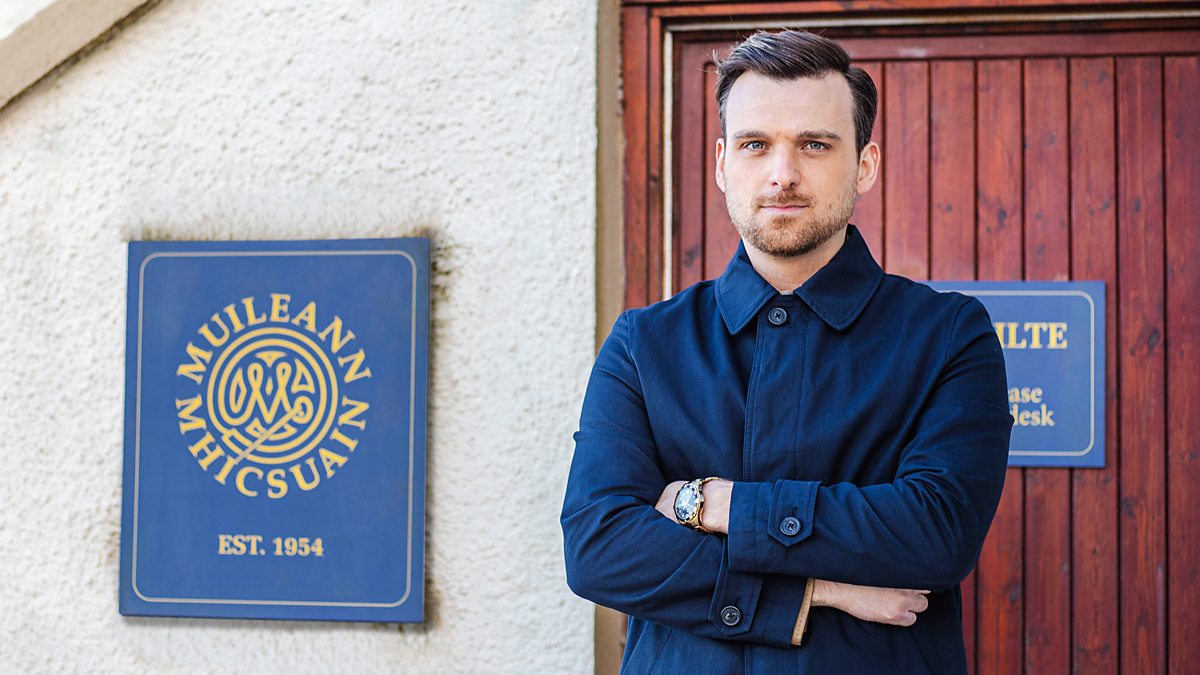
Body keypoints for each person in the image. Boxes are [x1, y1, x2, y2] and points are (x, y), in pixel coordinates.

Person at [561, 29, 1012, 674]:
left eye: (814, 144)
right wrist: (816, 591)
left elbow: (938, 532)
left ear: (864, 165)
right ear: (722, 164)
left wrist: (717, 504)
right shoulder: (644, 344)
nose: (782, 174)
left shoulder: (948, 335)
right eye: (756, 145)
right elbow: (600, 548)